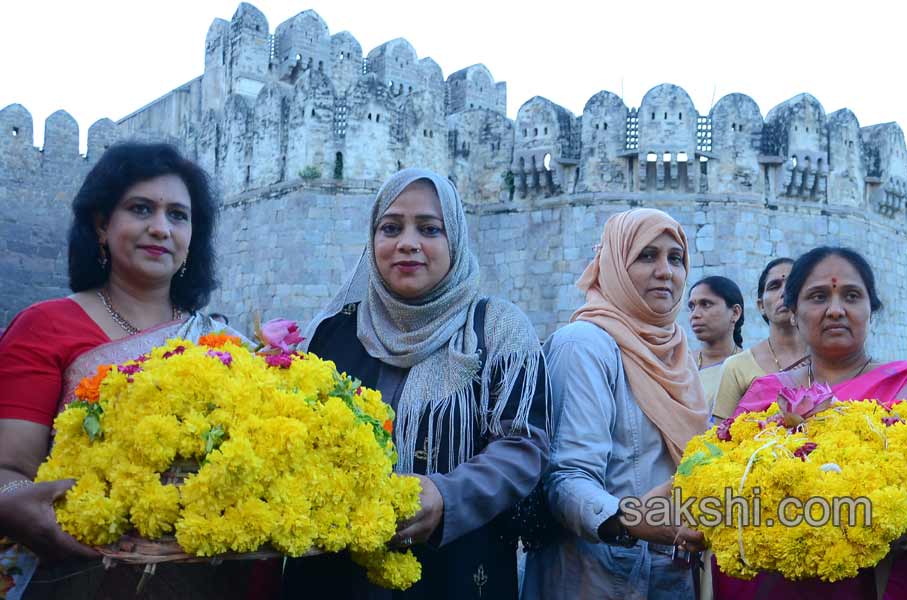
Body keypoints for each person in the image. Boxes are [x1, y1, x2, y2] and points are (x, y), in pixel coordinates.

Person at [282, 169, 549, 599]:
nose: (408, 242)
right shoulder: (334, 333)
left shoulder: (497, 329)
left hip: (457, 571)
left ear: (455, 240)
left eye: (429, 229)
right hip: (333, 570)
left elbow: (522, 445)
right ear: (372, 241)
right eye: (391, 228)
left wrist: (447, 496)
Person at [0, 142, 252, 599]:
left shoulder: (221, 342)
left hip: (208, 579)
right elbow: (9, 468)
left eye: (178, 215)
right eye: (141, 209)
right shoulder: (45, 327)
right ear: (101, 225)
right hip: (74, 574)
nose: (160, 228)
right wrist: (13, 502)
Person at [717, 246, 907, 599]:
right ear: (793, 312)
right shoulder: (765, 396)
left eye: (852, 296)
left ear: (872, 310)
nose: (836, 310)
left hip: (887, 582)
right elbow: (720, 483)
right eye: (818, 296)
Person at [522, 208, 707, 600]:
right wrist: (635, 520)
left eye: (676, 258)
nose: (666, 271)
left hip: (670, 577)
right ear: (614, 265)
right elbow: (566, 479)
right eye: (646, 256)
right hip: (600, 579)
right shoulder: (585, 345)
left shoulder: (677, 354)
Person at [711, 258, 807, 422]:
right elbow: (718, 437)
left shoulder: (828, 362)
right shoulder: (736, 367)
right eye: (774, 286)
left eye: (792, 285)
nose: (784, 292)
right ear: (761, 305)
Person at [688, 276, 744, 411]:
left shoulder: (746, 368)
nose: (694, 315)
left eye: (706, 304)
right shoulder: (680, 363)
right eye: (692, 307)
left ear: (735, 313)